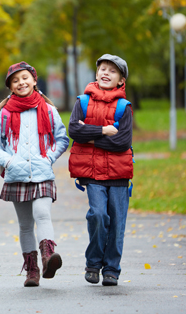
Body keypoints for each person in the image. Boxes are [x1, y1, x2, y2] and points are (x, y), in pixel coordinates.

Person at [0, 61, 69, 287]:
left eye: (24, 78)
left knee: (42, 213)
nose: (21, 82)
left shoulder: (48, 109)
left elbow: (62, 139)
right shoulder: (3, 113)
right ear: (10, 86)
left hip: (42, 173)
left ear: (34, 80)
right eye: (15, 80)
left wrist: (48, 158)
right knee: (24, 224)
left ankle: (48, 256)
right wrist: (8, 161)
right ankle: (32, 270)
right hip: (16, 175)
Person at [68, 54, 133, 287]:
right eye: (102, 69)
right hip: (92, 173)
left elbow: (122, 142)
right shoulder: (82, 102)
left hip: (118, 175)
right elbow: (74, 131)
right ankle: (93, 263)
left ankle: (111, 268)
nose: (106, 73)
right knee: (98, 215)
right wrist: (104, 131)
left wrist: (91, 137)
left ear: (121, 80)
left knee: (116, 223)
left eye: (112, 71)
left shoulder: (124, 107)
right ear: (96, 74)